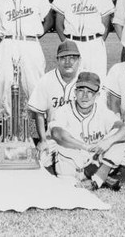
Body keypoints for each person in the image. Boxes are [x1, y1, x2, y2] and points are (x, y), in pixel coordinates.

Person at [50, 72, 125, 191]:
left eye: (90, 92)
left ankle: (98, 179)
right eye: (81, 91)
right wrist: (84, 146)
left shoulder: (102, 111)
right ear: (75, 92)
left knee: (119, 138)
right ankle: (96, 176)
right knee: (63, 148)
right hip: (73, 159)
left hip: (97, 158)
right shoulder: (63, 111)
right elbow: (56, 134)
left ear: (97, 95)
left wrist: (108, 141)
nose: (85, 96)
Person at [52, 0, 114, 79]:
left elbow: (106, 25)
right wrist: (67, 42)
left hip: (95, 44)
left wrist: (98, 42)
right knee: (71, 83)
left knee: (98, 81)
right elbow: (58, 24)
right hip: (72, 42)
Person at [27, 40, 81, 169]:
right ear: (57, 60)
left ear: (79, 60)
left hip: (80, 133)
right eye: (63, 58)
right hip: (53, 135)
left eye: (72, 58)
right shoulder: (46, 80)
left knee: (81, 160)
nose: (68, 62)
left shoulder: (85, 78)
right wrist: (42, 140)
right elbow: (39, 112)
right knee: (41, 161)